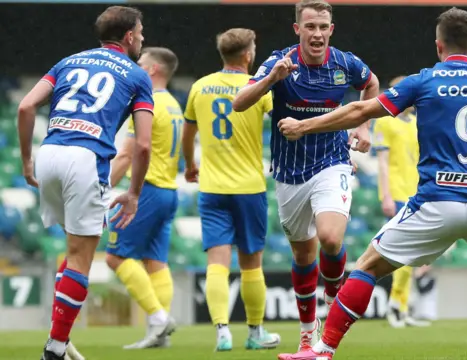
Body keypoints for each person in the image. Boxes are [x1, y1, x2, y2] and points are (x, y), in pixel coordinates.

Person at [276, 7, 467, 360]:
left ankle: (323, 350)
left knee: (366, 267)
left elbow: (360, 111)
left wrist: (304, 126)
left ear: (438, 45)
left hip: (437, 202)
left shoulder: (424, 80)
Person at [233, 0, 379, 351]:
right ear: (297, 29)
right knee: (302, 257)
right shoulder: (281, 61)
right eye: (310, 26)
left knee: (330, 238)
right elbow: (239, 103)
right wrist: (271, 79)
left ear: (331, 29)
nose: (317, 34)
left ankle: (332, 295)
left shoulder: (345, 64)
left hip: (332, 163)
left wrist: (363, 126)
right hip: (289, 173)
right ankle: (306, 333)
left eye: (323, 26)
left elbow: (372, 84)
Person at [17, 6, 160, 360]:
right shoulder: (138, 75)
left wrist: (26, 160)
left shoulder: (67, 62)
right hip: (86, 159)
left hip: (49, 151)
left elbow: (25, 107)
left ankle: (62, 341)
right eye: (141, 33)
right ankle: (54, 349)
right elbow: (142, 144)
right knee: (82, 258)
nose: (142, 39)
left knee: (72, 250)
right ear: (129, 36)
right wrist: (133, 193)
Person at [182, 28, 281, 352]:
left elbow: (188, 134)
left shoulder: (199, 87)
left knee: (217, 263)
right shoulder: (258, 87)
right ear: (248, 55)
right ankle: (255, 332)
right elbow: (281, 125)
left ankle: (222, 332)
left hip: (211, 187)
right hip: (249, 187)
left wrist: (190, 165)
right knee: (251, 264)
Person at [106, 47, 182, 349]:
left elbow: (127, 154)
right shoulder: (174, 103)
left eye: (140, 64)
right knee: (155, 262)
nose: (135, 67)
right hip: (168, 191)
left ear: (151, 70)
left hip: (147, 190)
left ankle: (159, 318)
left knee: (114, 257)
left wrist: (102, 188)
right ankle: (158, 334)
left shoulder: (147, 104)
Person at [372, 76, 431, 329]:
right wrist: (385, 194)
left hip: (416, 192)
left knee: (413, 253)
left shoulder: (417, 123)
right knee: (402, 253)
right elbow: (383, 163)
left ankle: (402, 308)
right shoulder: (384, 122)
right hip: (396, 192)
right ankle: (396, 307)